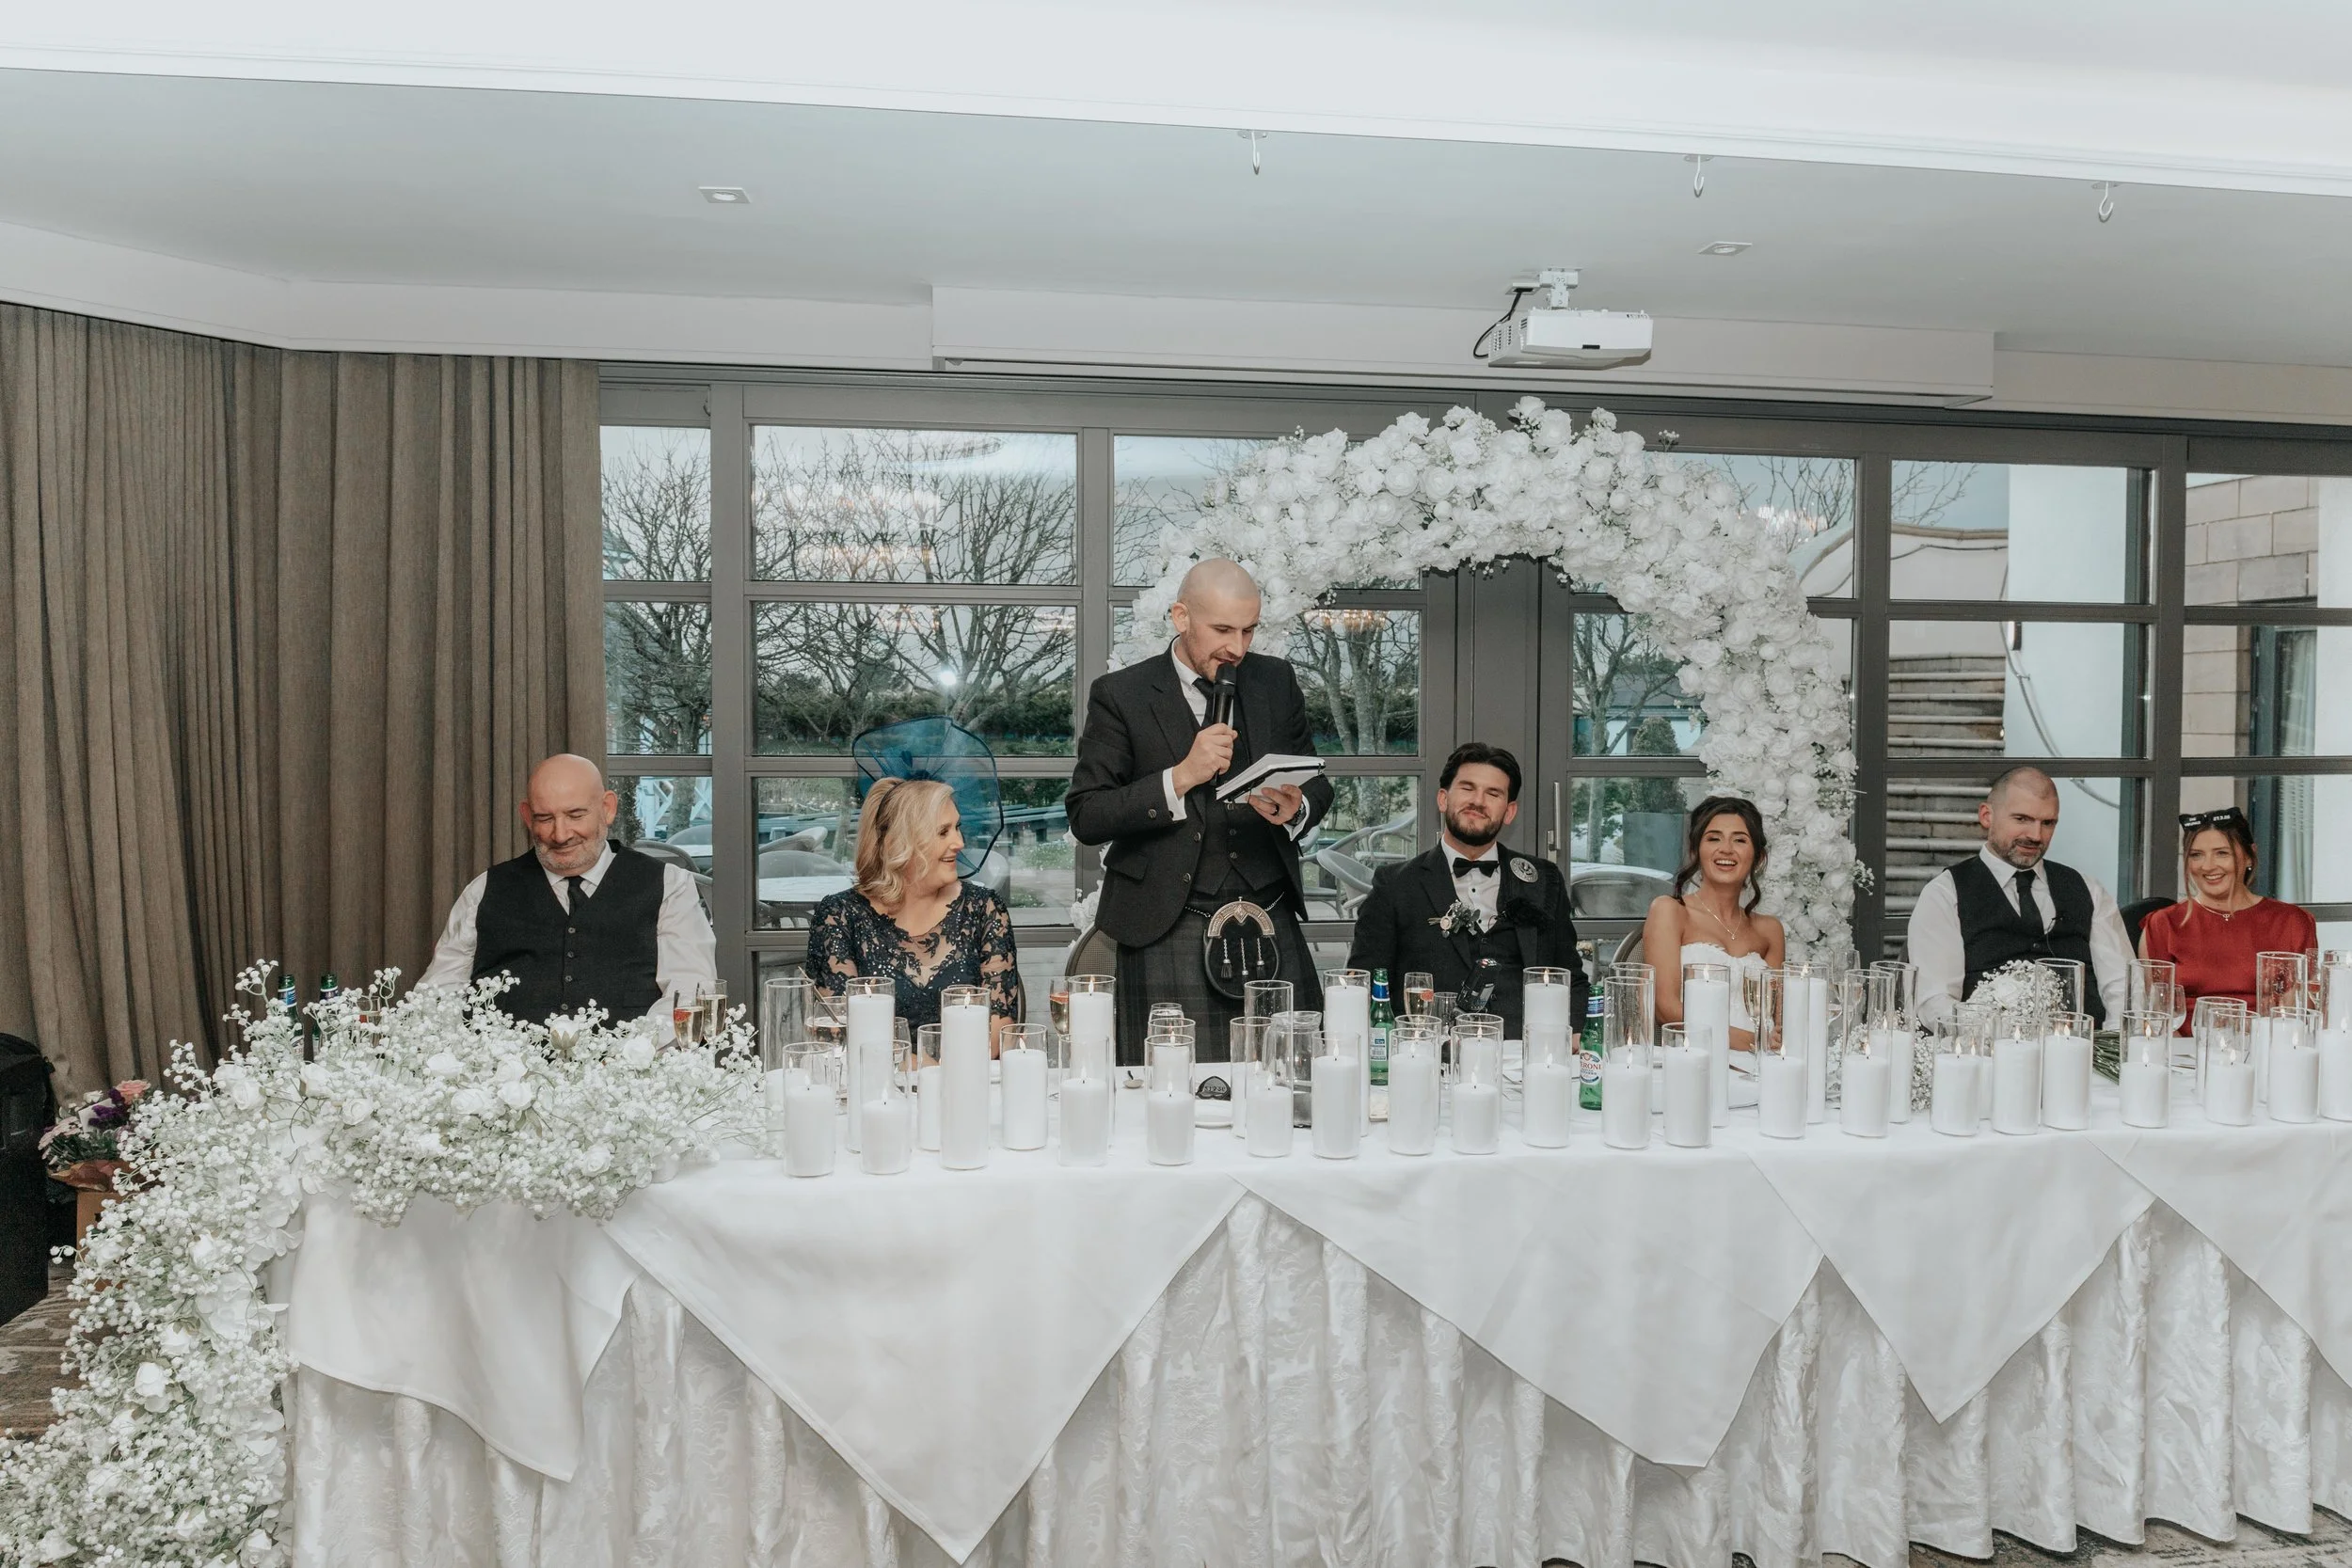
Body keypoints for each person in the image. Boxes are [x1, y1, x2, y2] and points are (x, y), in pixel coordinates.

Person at [1066, 558, 1333, 1060]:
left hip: (1269, 913)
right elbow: (1087, 814)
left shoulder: (1275, 680)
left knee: (1290, 1077)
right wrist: (1181, 777)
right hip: (1165, 921)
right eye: (1223, 630)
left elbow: (1316, 782)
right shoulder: (1120, 694)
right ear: (1181, 616)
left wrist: (1297, 807)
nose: (1238, 648)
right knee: (1170, 1086)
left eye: (1249, 630)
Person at [419, 753, 718, 1026]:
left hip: (631, 1066)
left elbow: (690, 995)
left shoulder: (669, 886)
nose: (560, 835)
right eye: (545, 818)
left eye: (575, 815)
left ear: (607, 808)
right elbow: (437, 998)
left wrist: (632, 1054)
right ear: (527, 816)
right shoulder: (484, 890)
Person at [1345, 742, 1587, 1039]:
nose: (1478, 801)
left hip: (1527, 1049)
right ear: (1443, 799)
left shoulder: (1543, 880)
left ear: (1509, 811)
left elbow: (1571, 977)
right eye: (1467, 788)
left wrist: (1575, 1035)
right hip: (1433, 1051)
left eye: (1493, 794)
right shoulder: (1395, 885)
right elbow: (1364, 985)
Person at [1907, 765, 2132, 1027]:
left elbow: (2124, 988)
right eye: (2022, 819)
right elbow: (1935, 1002)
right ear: (1987, 816)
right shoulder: (1945, 894)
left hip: (2085, 1046)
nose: (2035, 836)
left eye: (2047, 823)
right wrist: (1995, 1036)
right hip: (1985, 1046)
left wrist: (2114, 1044)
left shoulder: (2089, 890)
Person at [805, 778, 1023, 1038]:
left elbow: (998, 1034)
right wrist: (919, 1060)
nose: (959, 842)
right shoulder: (839, 915)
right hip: (872, 1068)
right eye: (943, 832)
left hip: (968, 1066)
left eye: (957, 828)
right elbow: (839, 1033)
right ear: (901, 842)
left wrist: (925, 1062)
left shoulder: (984, 908)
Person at [2138, 806, 2316, 1028]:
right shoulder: (2162, 924)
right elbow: (2157, 1017)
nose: (2207, 866)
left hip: (2266, 1045)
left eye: (2222, 853)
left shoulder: (2292, 922)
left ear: (2250, 855)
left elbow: (2300, 1013)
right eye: (2196, 855)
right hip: (2185, 1048)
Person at [1643, 796, 1785, 1053]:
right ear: (1695, 851)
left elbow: (1777, 1017)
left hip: (1760, 1062)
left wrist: (1772, 1042)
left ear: (1759, 857)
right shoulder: (1670, 911)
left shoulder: (1770, 930)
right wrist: (1750, 1040)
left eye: (1740, 840)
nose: (1726, 849)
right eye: (1714, 838)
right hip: (1694, 1057)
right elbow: (1665, 1008)